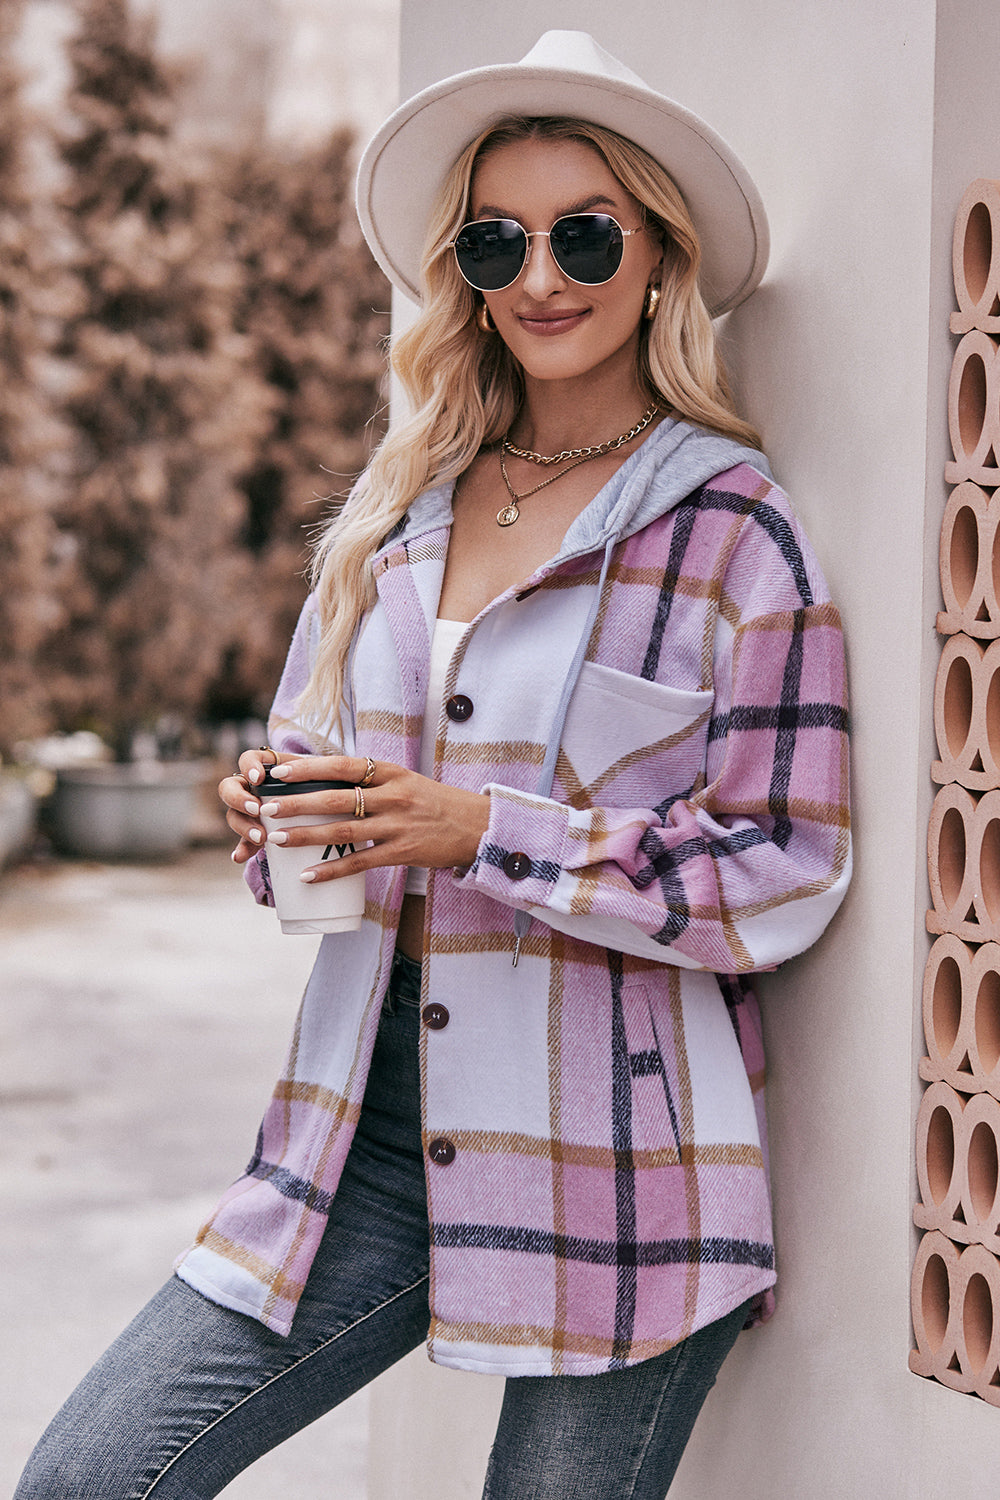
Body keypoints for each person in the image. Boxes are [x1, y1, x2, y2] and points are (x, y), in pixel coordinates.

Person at [16, 30, 851, 1500]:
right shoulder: (398, 513)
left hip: (621, 1172)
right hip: (361, 1132)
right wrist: (271, 807)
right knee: (89, 1478)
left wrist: (481, 830)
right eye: (496, 241)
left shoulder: (734, 534)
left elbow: (786, 868)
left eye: (585, 234)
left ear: (659, 255)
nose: (541, 278)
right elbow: (321, 759)